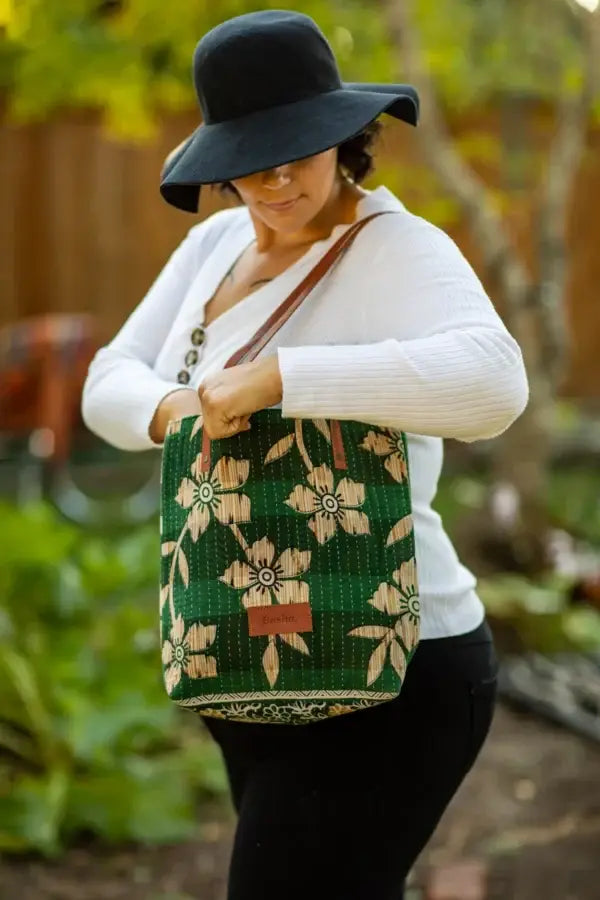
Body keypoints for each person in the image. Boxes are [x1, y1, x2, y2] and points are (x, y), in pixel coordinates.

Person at [81, 10, 529, 900]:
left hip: (393, 661)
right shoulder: (212, 245)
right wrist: (178, 406)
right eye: (254, 157)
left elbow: (495, 386)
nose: (278, 178)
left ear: (346, 137)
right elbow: (107, 379)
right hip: (237, 644)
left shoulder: (396, 249)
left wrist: (281, 378)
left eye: (300, 148)